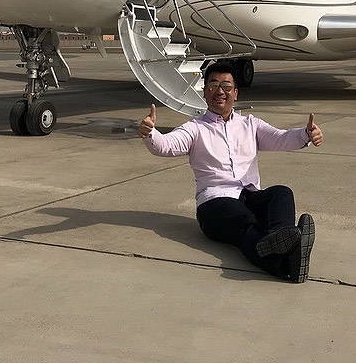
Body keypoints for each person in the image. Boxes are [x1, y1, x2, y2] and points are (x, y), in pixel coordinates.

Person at [138, 60, 324, 282]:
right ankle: (285, 259)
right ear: (205, 93)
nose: (220, 91)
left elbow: (281, 138)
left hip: (249, 196)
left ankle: (282, 238)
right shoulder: (194, 128)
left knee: (281, 193)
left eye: (226, 86)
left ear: (236, 93)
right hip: (215, 204)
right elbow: (166, 145)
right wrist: (151, 133)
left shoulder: (250, 124)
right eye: (213, 85)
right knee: (246, 223)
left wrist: (306, 134)